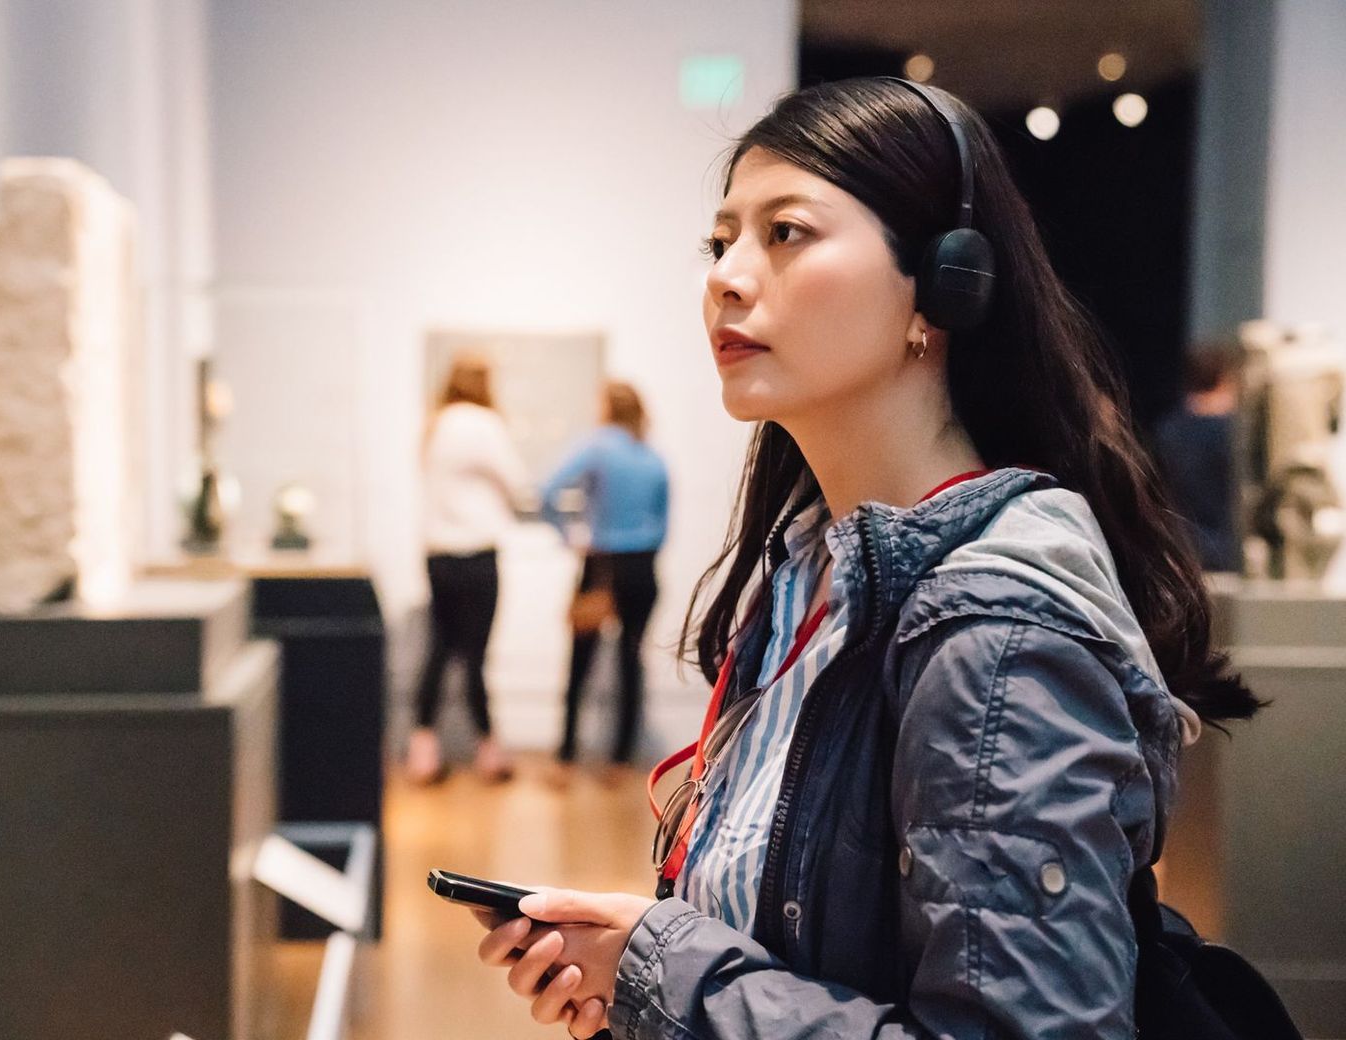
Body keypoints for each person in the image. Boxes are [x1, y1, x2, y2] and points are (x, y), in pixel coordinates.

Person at [469, 77, 1260, 1039]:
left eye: (786, 233)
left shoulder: (996, 631)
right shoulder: (811, 565)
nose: (726, 276)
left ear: (943, 285)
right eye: (722, 242)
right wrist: (634, 973)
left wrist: (666, 976)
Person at [407, 354, 528, 785]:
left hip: (437, 554)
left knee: (439, 648)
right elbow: (516, 481)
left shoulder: (434, 424)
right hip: (477, 553)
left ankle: (422, 748)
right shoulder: (484, 424)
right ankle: (489, 749)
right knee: (475, 653)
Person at [540, 382, 670, 774]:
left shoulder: (596, 446)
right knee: (631, 659)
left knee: (580, 659)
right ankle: (620, 758)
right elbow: (663, 523)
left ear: (608, 408)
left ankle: (566, 755)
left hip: (602, 567)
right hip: (643, 566)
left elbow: (547, 491)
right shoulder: (653, 457)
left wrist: (569, 533)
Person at [1151, 343, 1244, 572]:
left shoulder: (1167, 429)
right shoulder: (1232, 433)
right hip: (1227, 548)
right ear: (1224, 378)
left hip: (1179, 545)